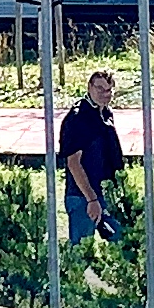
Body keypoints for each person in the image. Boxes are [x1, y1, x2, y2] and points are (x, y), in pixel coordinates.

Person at [57, 67, 126, 244]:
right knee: (79, 255)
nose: (105, 94)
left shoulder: (105, 112)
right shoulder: (78, 117)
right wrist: (91, 199)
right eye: (100, 89)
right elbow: (73, 163)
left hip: (107, 194)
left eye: (109, 90)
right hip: (83, 198)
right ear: (89, 87)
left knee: (125, 243)